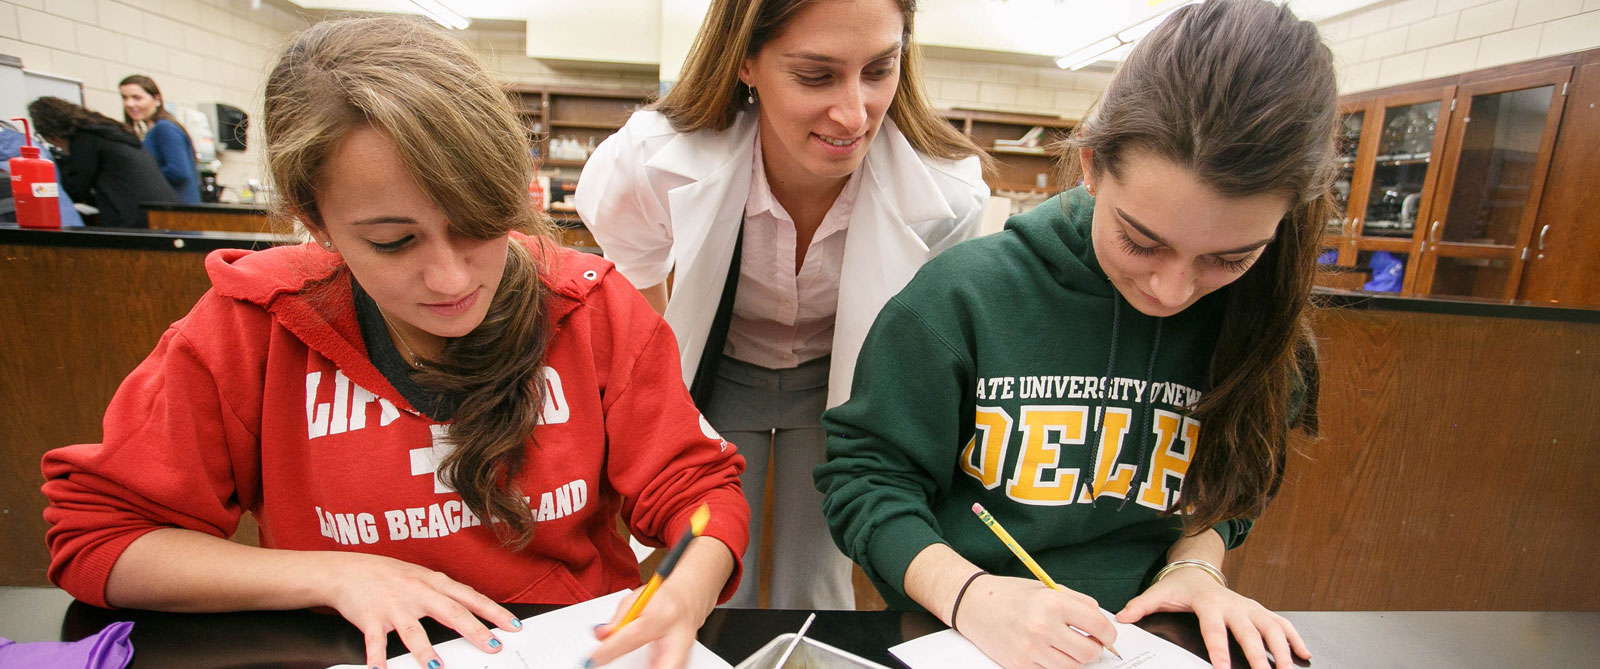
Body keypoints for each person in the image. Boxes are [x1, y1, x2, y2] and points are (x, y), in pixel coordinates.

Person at [40, 17, 748, 669]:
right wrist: (333, 572)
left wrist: (687, 584)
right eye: (392, 241)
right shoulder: (251, 327)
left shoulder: (589, 308)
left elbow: (703, 493)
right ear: (314, 220)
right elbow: (98, 539)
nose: (449, 278)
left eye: (481, 223)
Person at [815, 1, 1329, 668]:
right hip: (966, 639)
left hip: (1146, 646)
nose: (1171, 291)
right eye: (1142, 241)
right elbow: (865, 481)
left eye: (1228, 258)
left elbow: (1234, 488)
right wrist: (971, 594)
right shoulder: (960, 299)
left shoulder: (1266, 322)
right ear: (1090, 164)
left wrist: (1198, 568)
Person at [575, 0, 991, 611]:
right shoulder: (649, 161)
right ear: (746, 60)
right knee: (711, 568)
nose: (854, 114)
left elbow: (917, 345)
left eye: (879, 70)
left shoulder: (947, 193)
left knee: (818, 576)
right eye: (815, 75)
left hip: (839, 382)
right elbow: (640, 303)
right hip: (721, 373)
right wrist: (660, 419)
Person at [27, 96, 178, 228]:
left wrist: (59, 162)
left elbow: (77, 187)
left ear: (50, 131)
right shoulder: (106, 130)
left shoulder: (85, 139)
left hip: (131, 216)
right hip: (159, 211)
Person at [120, 74, 202, 204]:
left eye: (137, 98)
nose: (129, 104)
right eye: (125, 98)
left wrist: (138, 174)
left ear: (156, 100)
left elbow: (179, 173)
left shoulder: (164, 128)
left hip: (177, 211)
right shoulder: (154, 130)